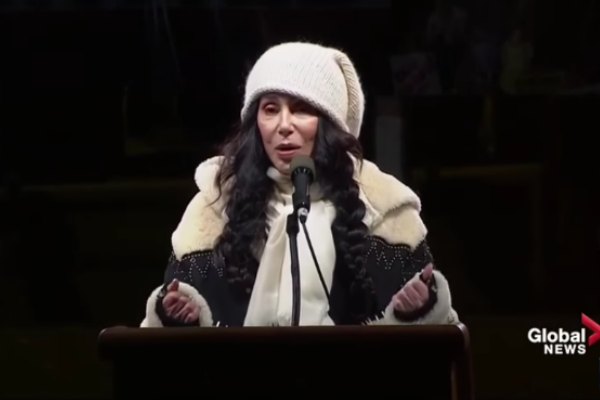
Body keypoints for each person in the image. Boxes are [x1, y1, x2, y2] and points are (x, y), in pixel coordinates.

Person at [140, 41, 459, 328]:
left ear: (331, 124)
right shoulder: (211, 209)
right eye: (270, 109)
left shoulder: (387, 212)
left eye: (301, 109)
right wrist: (175, 316)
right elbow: (160, 333)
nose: (283, 125)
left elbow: (444, 342)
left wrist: (417, 312)